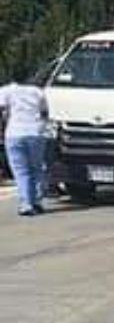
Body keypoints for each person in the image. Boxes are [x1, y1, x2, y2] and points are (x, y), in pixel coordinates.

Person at [0, 66, 50, 217]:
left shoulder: (6, 91)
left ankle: (26, 203)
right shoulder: (37, 92)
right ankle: (37, 201)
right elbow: (45, 112)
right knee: (37, 168)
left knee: (21, 171)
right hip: (35, 132)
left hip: (14, 133)